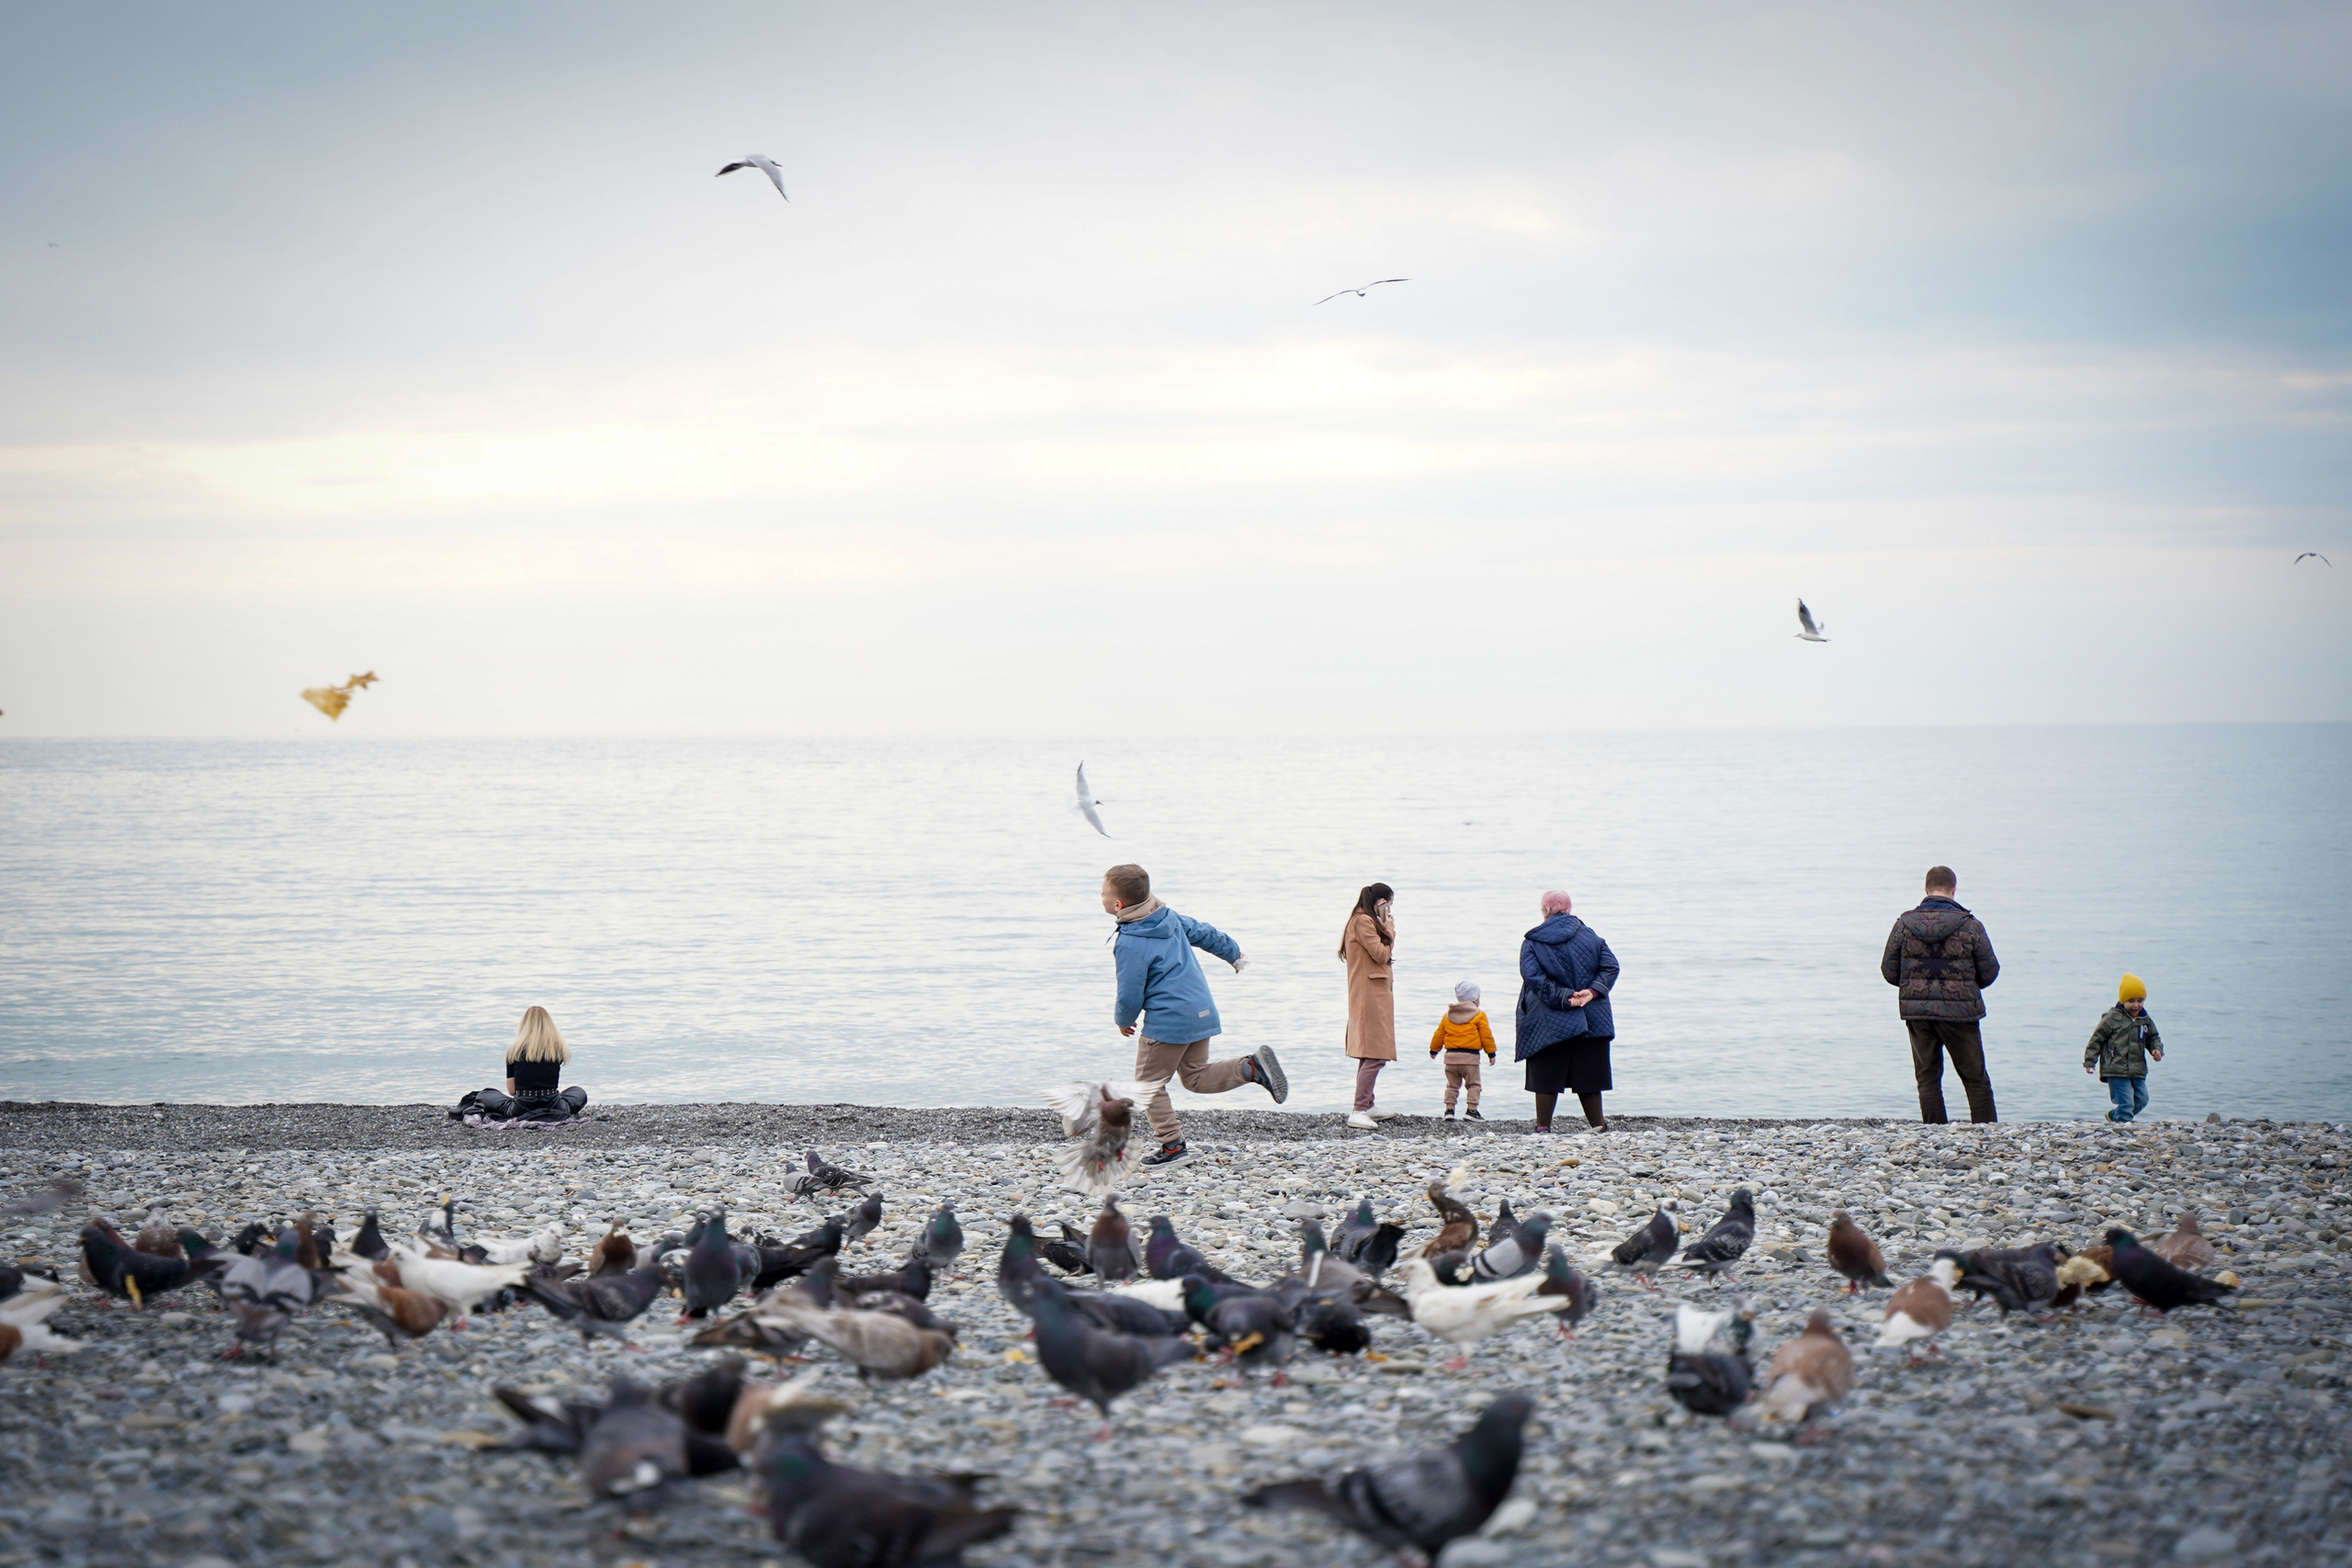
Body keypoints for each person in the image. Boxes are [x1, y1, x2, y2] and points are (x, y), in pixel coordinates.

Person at [1103, 863, 1286, 1170]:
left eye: (1103, 894)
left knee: (1148, 1085)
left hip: (1168, 1021)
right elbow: (1205, 933)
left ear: (1118, 904)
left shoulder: (1130, 941)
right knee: (1195, 1077)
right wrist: (1234, 954)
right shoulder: (1168, 917)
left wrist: (1123, 1020)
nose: (1102, 898)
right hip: (1201, 1011)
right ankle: (1251, 1067)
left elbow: (1130, 992)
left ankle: (1172, 1146)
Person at [1881, 865, 2001, 1124]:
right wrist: (1968, 987)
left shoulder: (1904, 924)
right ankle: (1986, 1131)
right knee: (1975, 1078)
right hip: (1961, 1012)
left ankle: (1933, 1131)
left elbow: (1889, 970)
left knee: (1927, 1077)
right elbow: (1990, 970)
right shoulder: (1971, 925)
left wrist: (1913, 986)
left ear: (1926, 889)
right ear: (1953, 890)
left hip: (1919, 1012)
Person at [1514, 891, 1619, 1133]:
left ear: (1544, 911)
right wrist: (1592, 992)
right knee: (1590, 1077)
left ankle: (1543, 1128)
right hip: (1592, 1017)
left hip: (1548, 1019)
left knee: (1545, 1074)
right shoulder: (1591, 937)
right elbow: (1611, 967)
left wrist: (1562, 997)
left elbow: (1533, 977)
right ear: (1569, 909)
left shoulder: (1533, 940)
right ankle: (1599, 1127)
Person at [452, 1005, 589, 1123]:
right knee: (578, 1092)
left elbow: (512, 1091)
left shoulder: (514, 1051)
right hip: (554, 1105)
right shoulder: (557, 1050)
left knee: (485, 1094)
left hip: (520, 1108)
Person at [1340, 884, 1399, 1130]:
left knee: (1369, 1052)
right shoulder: (1364, 921)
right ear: (1381, 903)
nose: (1391, 911)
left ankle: (1367, 1104)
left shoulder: (1361, 920)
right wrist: (1389, 927)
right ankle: (1359, 1109)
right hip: (1369, 997)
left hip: (1371, 995)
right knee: (1375, 1054)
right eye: (1390, 906)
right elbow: (1381, 954)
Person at [2085, 973, 2163, 1123]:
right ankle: (2122, 1128)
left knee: (2142, 1099)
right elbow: (2097, 1039)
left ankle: (2115, 1116)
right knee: (2126, 1102)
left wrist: (2156, 1049)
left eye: (2140, 1001)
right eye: (2131, 1001)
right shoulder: (2113, 1017)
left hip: (2137, 1068)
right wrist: (2090, 1061)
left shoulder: (2144, 1019)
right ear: (2122, 1000)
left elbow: (2153, 1037)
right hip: (2115, 1068)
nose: (2136, 1005)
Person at [1430, 979, 1496, 1121]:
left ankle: (1449, 1110)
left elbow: (1439, 1035)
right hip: (1470, 1059)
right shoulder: (1479, 1015)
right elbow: (1486, 1036)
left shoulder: (1448, 1016)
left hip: (1451, 1059)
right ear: (1475, 999)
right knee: (1473, 1085)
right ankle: (1471, 1111)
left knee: (1452, 1086)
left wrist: (1434, 1050)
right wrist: (1491, 1053)